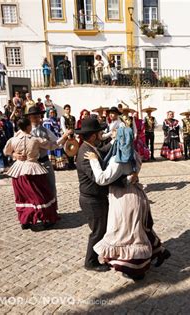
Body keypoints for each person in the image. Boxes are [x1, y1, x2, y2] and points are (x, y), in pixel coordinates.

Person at [86, 126, 170, 280]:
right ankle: (159, 252)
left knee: (126, 234)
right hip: (137, 195)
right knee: (138, 230)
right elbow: (136, 169)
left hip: (123, 199)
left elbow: (102, 179)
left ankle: (135, 268)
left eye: (115, 136)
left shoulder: (118, 159)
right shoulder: (134, 154)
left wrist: (93, 162)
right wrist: (132, 177)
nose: (112, 137)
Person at [3, 118, 71, 229]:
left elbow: (6, 152)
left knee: (23, 196)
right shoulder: (35, 140)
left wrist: (14, 154)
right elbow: (53, 145)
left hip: (18, 172)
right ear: (28, 126)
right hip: (32, 171)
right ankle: (46, 218)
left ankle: (25, 220)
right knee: (41, 195)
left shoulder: (13, 139)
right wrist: (64, 136)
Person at [75, 117, 111, 272]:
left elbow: (101, 152)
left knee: (103, 228)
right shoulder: (85, 154)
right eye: (99, 132)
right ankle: (90, 262)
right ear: (92, 135)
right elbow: (98, 178)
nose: (101, 134)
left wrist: (115, 141)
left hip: (96, 198)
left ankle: (102, 254)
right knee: (97, 231)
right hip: (91, 200)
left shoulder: (90, 147)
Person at [60, 104, 77, 169]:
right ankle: (67, 164)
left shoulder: (73, 117)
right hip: (66, 134)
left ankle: (72, 163)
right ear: (64, 110)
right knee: (66, 148)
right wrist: (67, 134)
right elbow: (63, 127)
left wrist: (74, 134)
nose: (68, 110)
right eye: (67, 109)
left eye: (69, 109)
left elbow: (74, 127)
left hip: (72, 134)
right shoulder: (63, 117)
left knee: (72, 148)